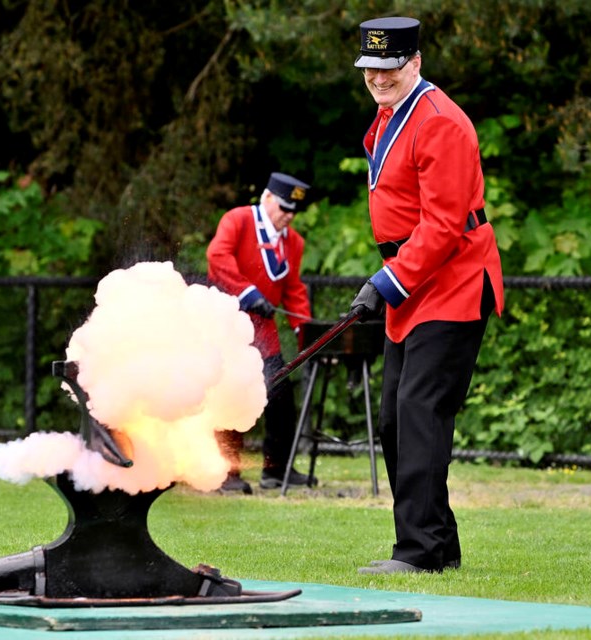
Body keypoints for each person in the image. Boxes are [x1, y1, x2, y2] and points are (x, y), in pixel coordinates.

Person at [346, 16, 505, 573]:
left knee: (418, 412)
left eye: (389, 68)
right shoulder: (392, 114)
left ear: (414, 62)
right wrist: (389, 279)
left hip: (454, 281)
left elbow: (442, 226)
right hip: (415, 282)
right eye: (371, 68)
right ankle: (438, 545)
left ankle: (418, 553)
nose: (379, 78)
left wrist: (385, 281)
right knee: (396, 418)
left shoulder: (439, 121)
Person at [206, 171, 319, 494]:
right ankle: (227, 473)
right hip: (228, 325)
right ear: (267, 198)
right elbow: (217, 257)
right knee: (230, 397)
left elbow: (294, 289)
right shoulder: (238, 220)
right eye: (284, 208)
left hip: (264, 333)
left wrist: (305, 332)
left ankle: (276, 469)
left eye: (294, 211)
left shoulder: (293, 242)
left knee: (281, 397)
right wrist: (248, 292)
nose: (288, 216)